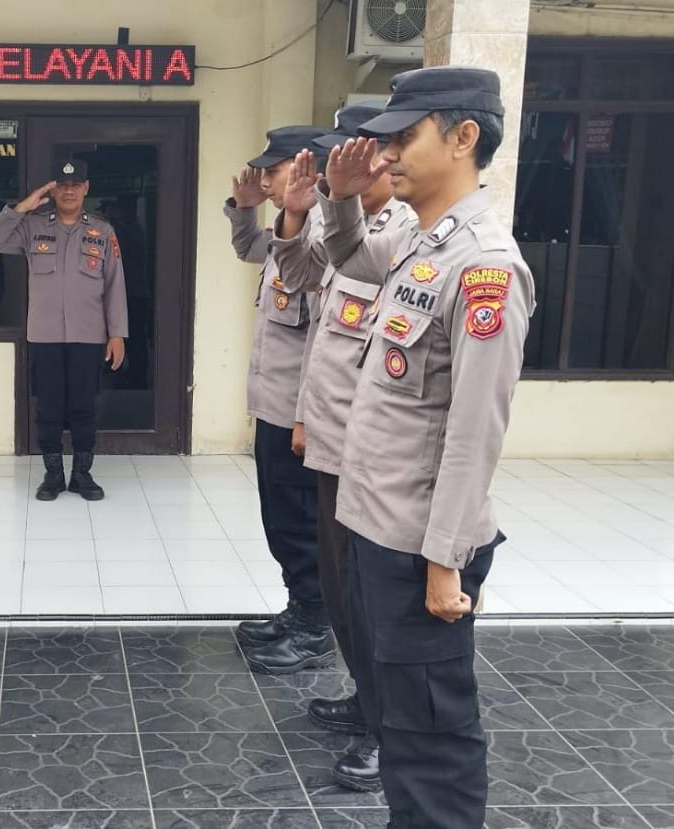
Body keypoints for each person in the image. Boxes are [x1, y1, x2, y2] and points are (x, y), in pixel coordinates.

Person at [317, 66, 534, 828]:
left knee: (432, 738)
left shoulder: (484, 268)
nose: (387, 154)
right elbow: (348, 259)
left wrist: (445, 561)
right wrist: (340, 197)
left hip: (420, 549)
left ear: (463, 136)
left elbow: (476, 433)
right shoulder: (419, 238)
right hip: (377, 526)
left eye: (405, 137)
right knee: (397, 722)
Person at [269, 104, 417, 793]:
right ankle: (367, 699)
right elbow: (305, 287)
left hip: (369, 450)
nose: (339, 170)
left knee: (374, 599)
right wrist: (299, 213)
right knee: (343, 589)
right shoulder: (351, 226)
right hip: (333, 441)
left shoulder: (405, 232)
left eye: (352, 157)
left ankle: (391, 732)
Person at [226, 125, 337, 675]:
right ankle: (299, 610)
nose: (265, 180)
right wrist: (245, 208)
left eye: (272, 171)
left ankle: (316, 628)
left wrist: (305, 418)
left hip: (298, 413)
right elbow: (250, 248)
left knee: (300, 522)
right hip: (273, 405)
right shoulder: (292, 229)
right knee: (281, 518)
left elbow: (323, 338)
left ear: (306, 169)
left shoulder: (328, 238)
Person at [0, 159, 128, 500]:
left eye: (76, 184)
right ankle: (53, 475)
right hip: (45, 336)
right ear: (53, 189)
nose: (69, 191)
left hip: (88, 335)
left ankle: (82, 474)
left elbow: (114, 284)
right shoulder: (32, 226)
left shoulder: (103, 231)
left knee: (83, 407)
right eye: (63, 185)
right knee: (48, 407)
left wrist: (117, 334)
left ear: (86, 188)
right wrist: (21, 208)